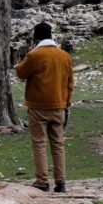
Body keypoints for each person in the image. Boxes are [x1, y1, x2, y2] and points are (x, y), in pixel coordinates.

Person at [15, 22, 75, 193]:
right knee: (58, 144)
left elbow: (21, 73)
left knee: (39, 143)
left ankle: (42, 180)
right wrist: (67, 104)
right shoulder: (65, 56)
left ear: (35, 38)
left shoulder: (34, 55)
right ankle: (60, 182)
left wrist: (20, 61)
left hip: (38, 106)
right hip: (59, 105)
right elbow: (70, 83)